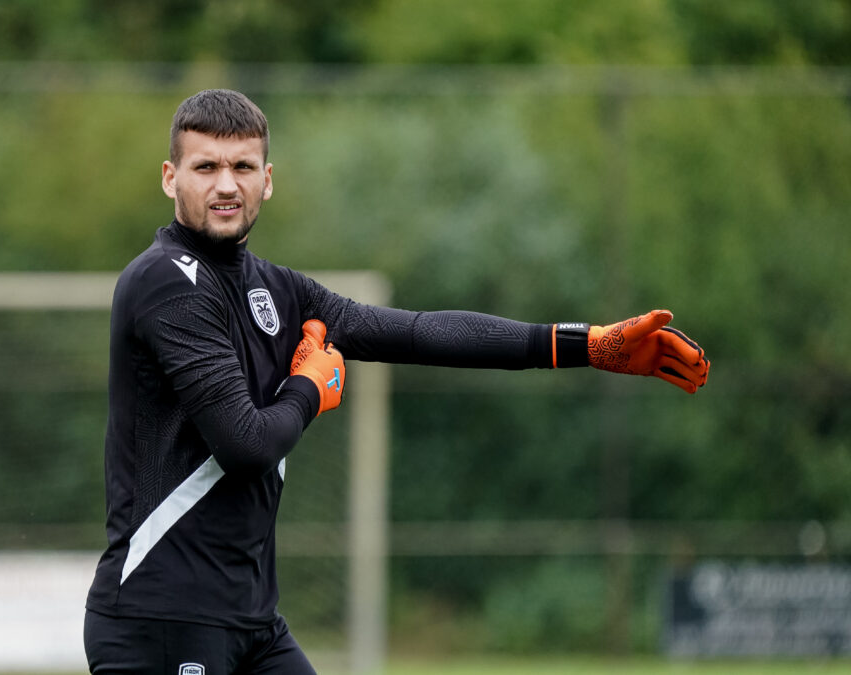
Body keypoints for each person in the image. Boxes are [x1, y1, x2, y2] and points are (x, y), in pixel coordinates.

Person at [84, 89, 709, 674]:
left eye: (243, 167)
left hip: (249, 621)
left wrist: (588, 345)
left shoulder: (274, 287)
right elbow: (246, 445)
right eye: (206, 167)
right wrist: (309, 388)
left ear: (267, 180)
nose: (226, 184)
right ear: (170, 177)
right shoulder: (165, 282)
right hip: (161, 620)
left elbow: (415, 332)